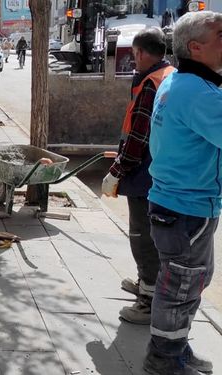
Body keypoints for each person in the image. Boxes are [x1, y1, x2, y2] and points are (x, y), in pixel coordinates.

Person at [143, 11, 222, 375]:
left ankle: (176, 348)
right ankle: (163, 361)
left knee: (186, 284)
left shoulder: (181, 82)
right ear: (195, 47)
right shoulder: (197, 92)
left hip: (179, 204)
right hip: (187, 210)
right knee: (179, 288)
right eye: (221, 35)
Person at [101, 28, 174, 325]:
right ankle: (147, 282)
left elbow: (138, 137)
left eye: (134, 55)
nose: (133, 60)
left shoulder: (150, 85)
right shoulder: (169, 74)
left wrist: (118, 169)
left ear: (142, 53)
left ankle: (147, 301)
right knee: (152, 235)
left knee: (142, 236)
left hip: (145, 174)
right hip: (160, 170)